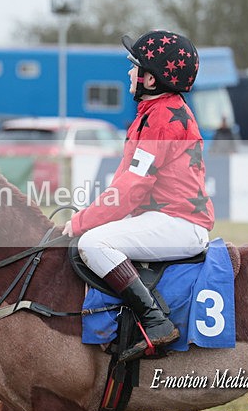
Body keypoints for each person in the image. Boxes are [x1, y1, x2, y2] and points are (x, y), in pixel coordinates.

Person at [63, 30, 214, 362]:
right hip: (167, 218)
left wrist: (81, 222)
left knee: (93, 243)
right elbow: (125, 183)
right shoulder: (155, 111)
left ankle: (155, 321)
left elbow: (132, 188)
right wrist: (92, 214)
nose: (130, 72)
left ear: (151, 78)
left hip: (178, 223)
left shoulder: (161, 117)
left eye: (135, 67)